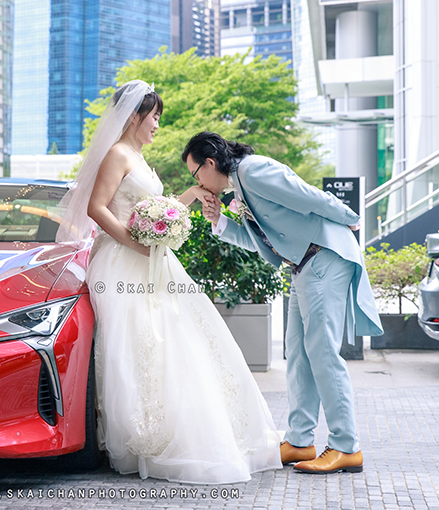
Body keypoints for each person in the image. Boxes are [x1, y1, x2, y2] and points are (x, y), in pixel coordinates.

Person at [56, 80, 283, 484]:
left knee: (178, 337)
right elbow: (97, 208)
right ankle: (141, 434)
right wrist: (135, 244)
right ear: (133, 117)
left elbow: (155, 214)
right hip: (121, 263)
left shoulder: (139, 158)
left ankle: (183, 427)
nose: (158, 124)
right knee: (137, 341)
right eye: (154, 116)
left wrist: (193, 195)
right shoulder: (117, 154)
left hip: (151, 259)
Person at [182, 131, 384, 474]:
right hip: (303, 266)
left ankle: (346, 446)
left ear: (210, 163)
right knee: (299, 355)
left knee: (321, 353)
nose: (197, 181)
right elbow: (260, 241)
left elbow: (306, 196)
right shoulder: (240, 186)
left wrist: (348, 215)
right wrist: (219, 220)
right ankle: (301, 442)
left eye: (195, 173)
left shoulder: (253, 171)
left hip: (325, 257)